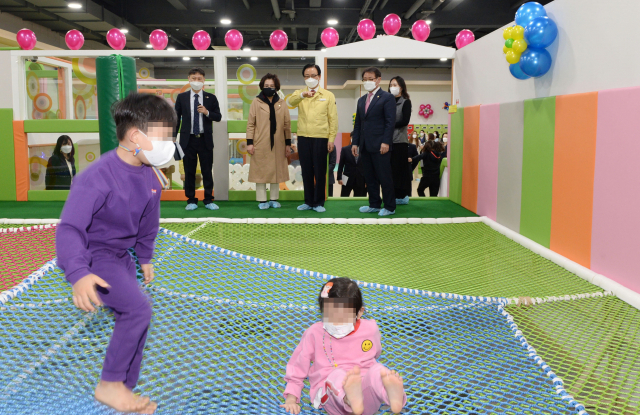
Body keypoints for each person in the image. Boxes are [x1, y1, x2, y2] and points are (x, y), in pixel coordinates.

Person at [56, 93, 178, 414]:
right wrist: (78, 274)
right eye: (165, 137)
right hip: (94, 257)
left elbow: (148, 222)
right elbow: (70, 229)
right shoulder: (96, 178)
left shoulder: (151, 177)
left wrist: (146, 256)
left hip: (121, 258)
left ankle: (124, 387)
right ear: (136, 136)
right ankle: (109, 384)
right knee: (138, 310)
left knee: (139, 316)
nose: (170, 145)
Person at [280, 278, 407, 415]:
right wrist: (292, 399)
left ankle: (392, 396)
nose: (336, 322)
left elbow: (375, 352)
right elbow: (297, 368)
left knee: (377, 371)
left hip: (365, 398)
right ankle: (348, 398)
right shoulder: (314, 333)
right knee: (338, 375)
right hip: (331, 397)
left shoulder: (370, 329)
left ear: (359, 313)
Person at [288, 64, 338, 213]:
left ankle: (318, 202)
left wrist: (331, 139)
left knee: (320, 171)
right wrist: (303, 95)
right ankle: (308, 201)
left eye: (313, 75)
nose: (310, 79)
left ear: (319, 77)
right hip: (303, 137)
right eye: (307, 76)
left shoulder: (328, 95)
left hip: (321, 137)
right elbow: (289, 102)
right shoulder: (300, 93)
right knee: (307, 170)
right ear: (304, 78)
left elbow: (333, 119)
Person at [174, 67, 222, 211]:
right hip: (187, 140)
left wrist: (207, 112)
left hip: (204, 139)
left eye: (199, 79)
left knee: (207, 170)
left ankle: (208, 200)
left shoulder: (211, 98)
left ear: (204, 80)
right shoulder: (182, 97)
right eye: (193, 78)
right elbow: (176, 119)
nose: (196, 81)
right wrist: (171, 138)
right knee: (189, 171)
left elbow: (218, 117)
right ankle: (191, 200)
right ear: (188, 79)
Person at [352, 67, 396, 216]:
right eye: (365, 79)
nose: (367, 82)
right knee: (369, 177)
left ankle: (390, 206)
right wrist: (355, 143)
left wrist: (386, 142)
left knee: (384, 176)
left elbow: (390, 122)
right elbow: (358, 124)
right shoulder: (361, 100)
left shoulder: (387, 97)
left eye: (371, 79)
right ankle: (374, 204)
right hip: (365, 145)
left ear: (378, 80)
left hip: (381, 145)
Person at [246, 73, 291, 209]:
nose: (269, 88)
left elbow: (287, 125)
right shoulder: (256, 102)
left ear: (276, 87)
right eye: (266, 86)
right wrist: (249, 142)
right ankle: (262, 200)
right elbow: (250, 124)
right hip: (260, 142)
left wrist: (288, 144)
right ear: (262, 87)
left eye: (272, 86)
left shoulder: (282, 103)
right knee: (260, 172)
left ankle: (273, 199)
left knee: (275, 171)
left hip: (278, 144)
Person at [388, 76, 412, 206]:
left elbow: (405, 121)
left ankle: (402, 195)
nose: (392, 87)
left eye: (395, 84)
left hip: (400, 141)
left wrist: (389, 124)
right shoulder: (387, 101)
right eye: (391, 85)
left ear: (401, 87)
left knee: (399, 170)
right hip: (387, 140)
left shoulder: (405, 102)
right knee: (389, 170)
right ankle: (391, 195)